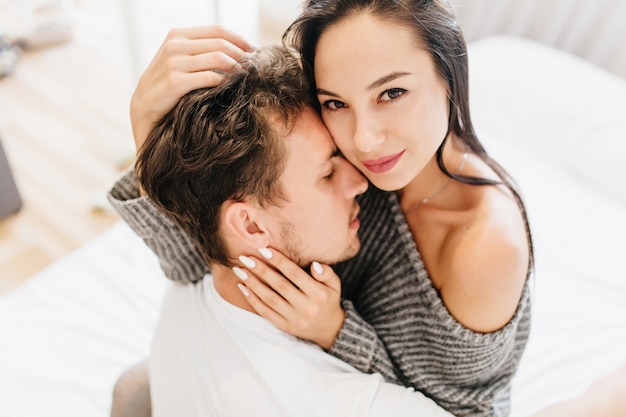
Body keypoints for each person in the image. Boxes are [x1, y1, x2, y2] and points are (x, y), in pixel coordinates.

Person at [111, 1, 534, 416]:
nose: (364, 140)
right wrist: (148, 136)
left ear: (451, 77)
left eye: (392, 92)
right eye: (336, 102)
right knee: (134, 388)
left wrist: (335, 332)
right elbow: (213, 260)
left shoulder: (486, 250)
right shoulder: (340, 156)